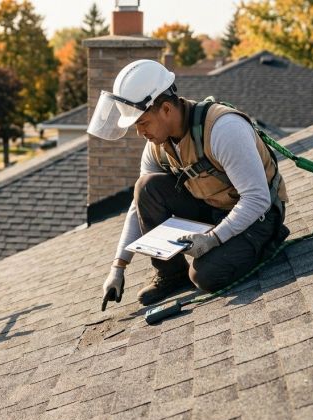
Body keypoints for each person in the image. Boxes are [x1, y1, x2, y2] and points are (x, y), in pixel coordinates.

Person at [87, 59, 290, 311]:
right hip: (213, 209)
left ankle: (268, 242)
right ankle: (171, 274)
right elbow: (137, 206)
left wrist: (212, 239)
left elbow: (257, 199)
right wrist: (118, 267)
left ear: (166, 109)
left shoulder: (223, 129)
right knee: (146, 187)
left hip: (260, 216)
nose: (140, 133)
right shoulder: (157, 145)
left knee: (204, 276)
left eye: (142, 123)